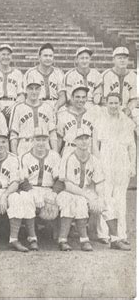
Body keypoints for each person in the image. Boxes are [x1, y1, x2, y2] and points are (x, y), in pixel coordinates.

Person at [56, 127, 130, 252]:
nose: (84, 141)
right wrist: (89, 197)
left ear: (90, 140)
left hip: (86, 192)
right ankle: (68, 240)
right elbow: (68, 186)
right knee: (77, 202)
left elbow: (99, 183)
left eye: (86, 138)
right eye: (80, 139)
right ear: (75, 141)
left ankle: (115, 239)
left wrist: (99, 198)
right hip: (67, 192)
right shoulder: (68, 157)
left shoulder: (94, 160)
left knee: (109, 202)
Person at [0, 131, 36, 252]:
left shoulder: (14, 158)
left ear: (8, 144)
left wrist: (4, 196)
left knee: (16, 199)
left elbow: (15, 182)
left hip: (7, 189)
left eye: (3, 142)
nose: (0, 145)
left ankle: (13, 239)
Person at [93, 92, 136, 245]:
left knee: (120, 198)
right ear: (106, 104)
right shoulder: (100, 121)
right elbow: (95, 146)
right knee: (106, 196)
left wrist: (132, 165)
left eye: (116, 103)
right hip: (106, 157)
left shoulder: (127, 122)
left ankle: (121, 234)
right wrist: (98, 163)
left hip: (122, 158)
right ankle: (104, 233)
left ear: (120, 104)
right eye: (110, 103)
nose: (113, 106)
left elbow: (132, 146)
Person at [19, 127, 62, 245]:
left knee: (63, 198)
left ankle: (62, 237)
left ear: (48, 140)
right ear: (33, 140)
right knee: (26, 198)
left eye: (44, 140)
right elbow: (22, 180)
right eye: (38, 139)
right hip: (31, 188)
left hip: (49, 189)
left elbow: (60, 179)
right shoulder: (25, 156)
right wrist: (32, 192)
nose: (41, 143)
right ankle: (32, 237)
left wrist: (54, 193)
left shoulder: (54, 156)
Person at [9, 76, 57, 156]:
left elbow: (52, 134)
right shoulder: (18, 107)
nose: (34, 92)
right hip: (25, 144)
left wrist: (55, 153)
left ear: (40, 90)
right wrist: (15, 155)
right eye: (31, 88)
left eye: (37, 88)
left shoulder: (48, 107)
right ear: (26, 90)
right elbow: (13, 135)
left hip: (44, 144)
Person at [24, 43, 65, 112]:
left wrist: (57, 106)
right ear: (39, 57)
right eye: (45, 56)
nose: (48, 58)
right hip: (37, 104)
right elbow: (27, 95)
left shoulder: (58, 73)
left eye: (50, 56)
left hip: (55, 104)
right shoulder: (31, 73)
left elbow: (62, 96)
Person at [0, 44, 24, 118]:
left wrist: (14, 106)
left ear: (11, 56)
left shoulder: (17, 73)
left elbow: (21, 95)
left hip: (13, 104)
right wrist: (1, 108)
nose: (6, 57)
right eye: (3, 54)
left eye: (8, 54)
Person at [56, 85, 96, 157]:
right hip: (70, 149)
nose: (80, 100)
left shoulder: (92, 115)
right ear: (72, 97)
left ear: (87, 98)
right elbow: (59, 139)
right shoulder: (63, 115)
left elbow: (95, 140)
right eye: (77, 97)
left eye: (83, 97)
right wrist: (57, 155)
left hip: (87, 150)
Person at [100, 46, 137, 117]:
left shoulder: (133, 76)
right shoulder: (106, 75)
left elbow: (134, 99)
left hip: (126, 108)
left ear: (128, 60)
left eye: (125, 58)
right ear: (113, 60)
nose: (122, 60)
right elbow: (103, 99)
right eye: (119, 58)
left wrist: (129, 109)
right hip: (108, 107)